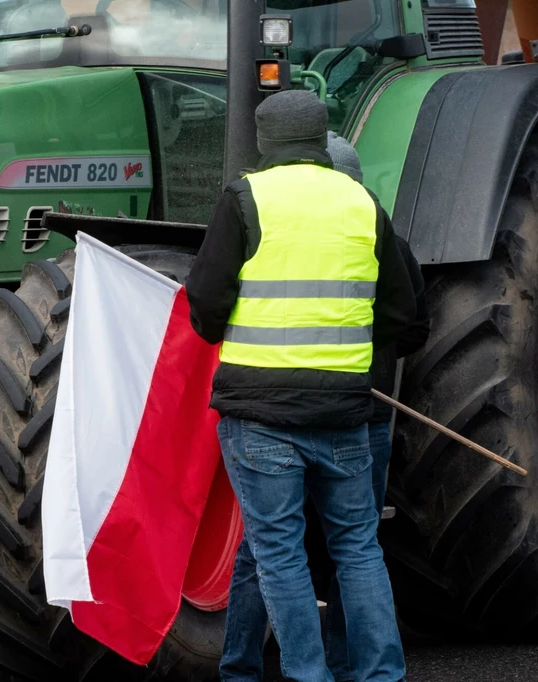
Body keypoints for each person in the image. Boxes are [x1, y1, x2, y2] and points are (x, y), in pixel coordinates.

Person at [186, 90, 416, 682]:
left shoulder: (244, 197)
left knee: (278, 556)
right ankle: (382, 675)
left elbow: (206, 301)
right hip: (343, 413)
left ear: (265, 142)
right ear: (320, 138)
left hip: (260, 417)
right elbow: (400, 314)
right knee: (359, 550)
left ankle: (307, 676)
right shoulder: (361, 202)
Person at [321, 131, 431, 682]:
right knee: (358, 548)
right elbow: (415, 328)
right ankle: (355, 665)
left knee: (277, 549)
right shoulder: (388, 238)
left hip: (302, 419)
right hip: (368, 419)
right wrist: (375, 346)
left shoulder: (297, 239)